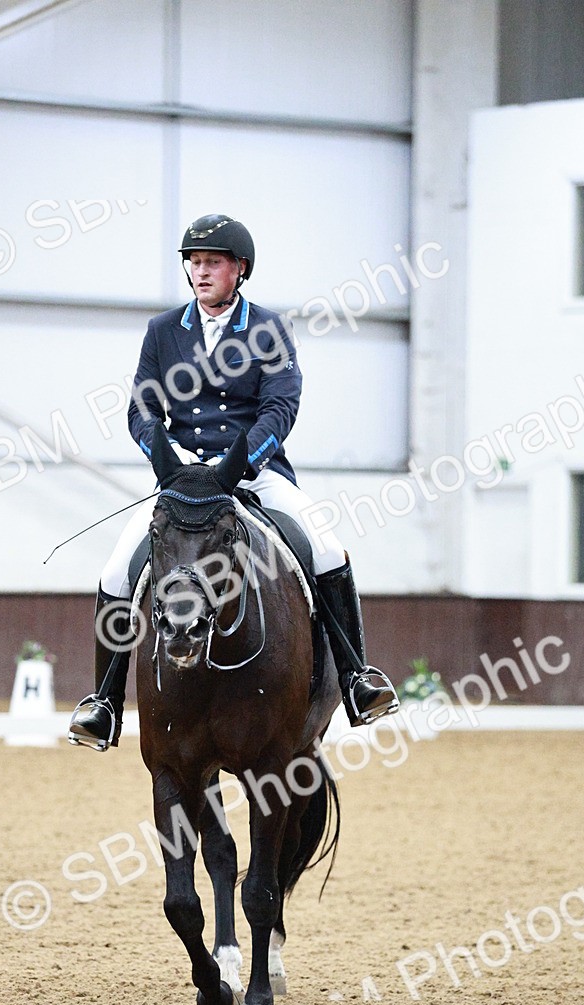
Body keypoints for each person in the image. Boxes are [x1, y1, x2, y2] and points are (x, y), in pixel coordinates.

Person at [68, 214, 399, 750]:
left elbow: (280, 404)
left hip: (254, 471)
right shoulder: (162, 331)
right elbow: (142, 407)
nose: (200, 272)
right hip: (182, 476)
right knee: (115, 572)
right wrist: (168, 459)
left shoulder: (267, 329)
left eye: (212, 263)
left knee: (327, 548)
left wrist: (241, 461)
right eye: (194, 263)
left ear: (238, 270)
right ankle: (104, 703)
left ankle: (358, 678)